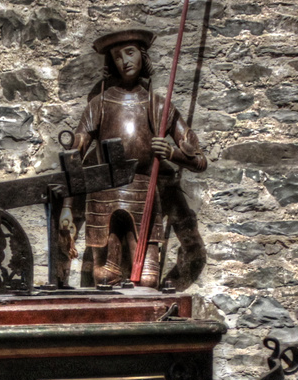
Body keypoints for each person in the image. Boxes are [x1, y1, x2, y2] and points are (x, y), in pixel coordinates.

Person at [69, 28, 208, 289]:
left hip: (143, 192)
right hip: (104, 193)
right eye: (118, 56)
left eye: (130, 52)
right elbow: (77, 149)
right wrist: (68, 209)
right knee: (105, 276)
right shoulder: (99, 104)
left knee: (147, 278)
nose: (125, 61)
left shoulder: (158, 106)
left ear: (142, 56)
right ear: (111, 62)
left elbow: (198, 159)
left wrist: (172, 153)